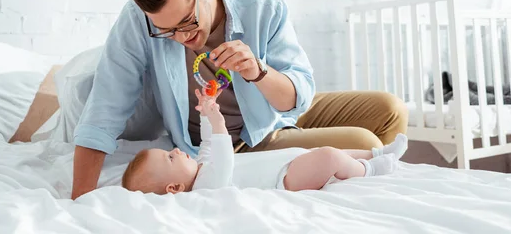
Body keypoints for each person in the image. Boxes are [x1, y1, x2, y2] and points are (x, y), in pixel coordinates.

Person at [71, 0, 408, 200]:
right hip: (238, 143)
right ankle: (365, 190)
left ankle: (375, 186)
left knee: (389, 109)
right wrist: (80, 204)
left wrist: (258, 72)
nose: (182, 38)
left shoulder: (261, 7)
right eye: (167, 31)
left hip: (271, 113)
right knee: (363, 141)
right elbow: (104, 111)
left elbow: (299, 97)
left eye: (188, 23)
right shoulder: (138, 20)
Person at [121, 89, 408, 194]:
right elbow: (222, 154)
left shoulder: (200, 167)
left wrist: (208, 113)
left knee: (329, 152)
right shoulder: (206, 188)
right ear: (174, 188)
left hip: (284, 161)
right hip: (284, 178)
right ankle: (372, 169)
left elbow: (209, 144)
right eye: (170, 158)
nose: (174, 151)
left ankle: (377, 152)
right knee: (329, 157)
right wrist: (219, 122)